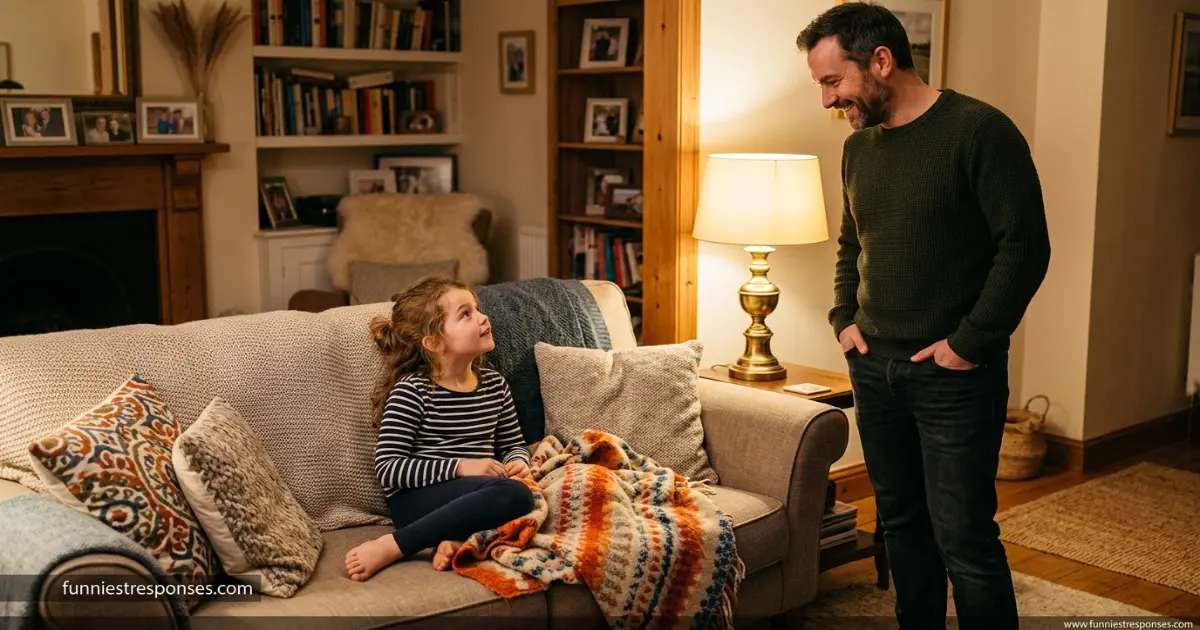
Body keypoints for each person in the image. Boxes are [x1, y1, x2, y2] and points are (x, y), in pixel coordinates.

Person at [796, 3, 1051, 629]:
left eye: (833, 82)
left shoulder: (980, 132)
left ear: (881, 61)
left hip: (955, 376)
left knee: (963, 537)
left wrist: (968, 343)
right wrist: (842, 317)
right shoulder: (859, 149)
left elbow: (1025, 247)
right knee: (902, 526)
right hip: (874, 370)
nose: (828, 99)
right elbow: (853, 244)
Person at [344, 277, 536, 582]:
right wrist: (463, 467)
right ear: (434, 343)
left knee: (521, 494)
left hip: (477, 494)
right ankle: (395, 545)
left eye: (476, 309)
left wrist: (518, 461)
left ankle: (453, 541)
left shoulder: (495, 386)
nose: (483, 318)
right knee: (516, 496)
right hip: (417, 500)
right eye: (465, 314)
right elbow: (389, 469)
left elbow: (513, 442)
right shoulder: (414, 391)